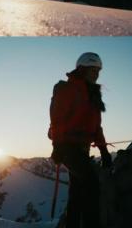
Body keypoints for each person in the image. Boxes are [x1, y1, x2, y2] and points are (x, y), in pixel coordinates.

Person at [48, 52, 112, 228]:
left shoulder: (93, 94)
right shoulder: (67, 89)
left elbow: (96, 127)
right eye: (93, 70)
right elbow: (57, 118)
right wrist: (57, 146)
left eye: (98, 71)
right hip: (67, 147)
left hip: (82, 149)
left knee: (77, 192)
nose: (97, 74)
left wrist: (104, 151)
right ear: (82, 69)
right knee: (91, 185)